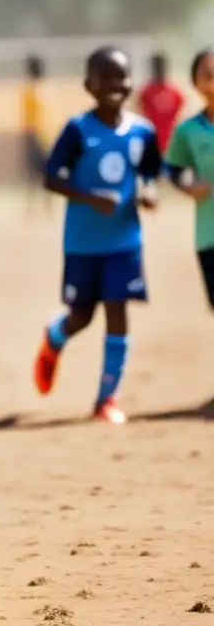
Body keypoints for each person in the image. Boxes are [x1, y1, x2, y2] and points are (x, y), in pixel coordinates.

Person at [33, 46, 161, 424]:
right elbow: (50, 177)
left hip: (124, 241)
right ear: (89, 84)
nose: (113, 84)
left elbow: (152, 172)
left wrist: (149, 191)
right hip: (83, 243)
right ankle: (55, 336)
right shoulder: (77, 130)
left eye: (121, 76)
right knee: (83, 315)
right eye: (104, 77)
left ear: (131, 82)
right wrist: (90, 197)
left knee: (118, 311)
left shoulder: (143, 131)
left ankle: (107, 399)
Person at [163, 48, 214, 310]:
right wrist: (188, 186)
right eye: (208, 75)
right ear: (196, 83)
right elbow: (172, 167)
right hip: (209, 234)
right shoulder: (188, 130)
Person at [137, 52, 184, 156]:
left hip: (171, 145)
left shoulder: (175, 93)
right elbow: (139, 116)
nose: (159, 70)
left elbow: (179, 118)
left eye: (161, 67)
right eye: (156, 67)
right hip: (150, 144)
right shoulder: (145, 92)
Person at [22, 54, 52, 216]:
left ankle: (33, 208)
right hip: (40, 136)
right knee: (41, 174)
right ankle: (42, 208)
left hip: (35, 136)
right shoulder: (41, 90)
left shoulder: (30, 90)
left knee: (35, 175)